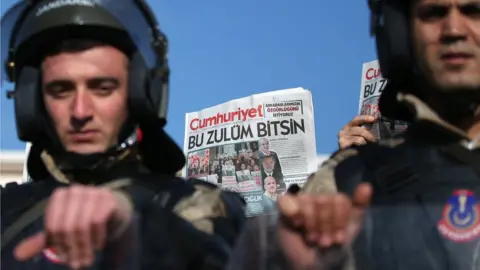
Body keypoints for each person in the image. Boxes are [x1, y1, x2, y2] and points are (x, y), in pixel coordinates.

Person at [228, 0, 480, 269]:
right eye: (433, 14)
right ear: (400, 34)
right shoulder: (346, 178)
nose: (454, 29)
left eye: (474, 11)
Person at [0, 1, 246, 270]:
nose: (80, 111)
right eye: (61, 90)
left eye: (102, 88)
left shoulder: (202, 204)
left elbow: (216, 254)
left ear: (139, 94)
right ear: (33, 101)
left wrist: (132, 222)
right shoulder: (5, 211)